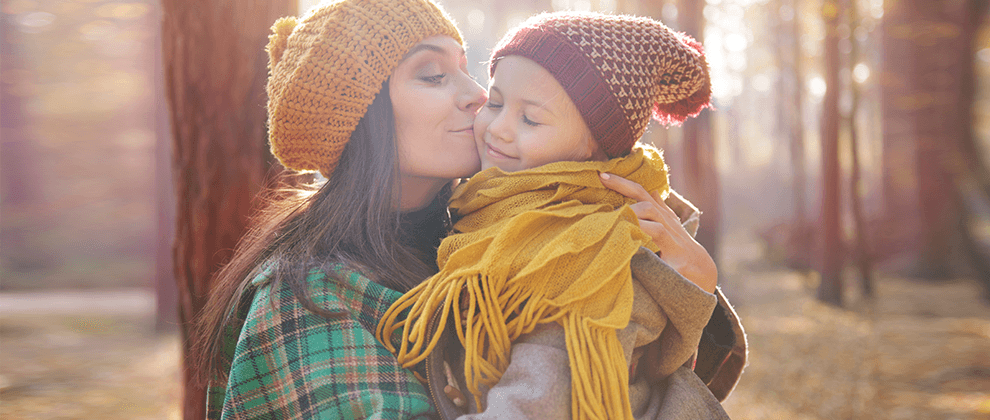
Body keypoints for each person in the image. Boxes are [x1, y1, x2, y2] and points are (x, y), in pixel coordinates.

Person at [195, 0, 744, 418]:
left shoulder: (491, 240)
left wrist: (685, 290)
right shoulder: (305, 298)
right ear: (361, 120)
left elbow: (621, 389)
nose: (476, 96)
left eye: (467, 70)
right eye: (433, 76)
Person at [377, 11, 742, 420]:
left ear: (594, 149)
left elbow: (543, 399)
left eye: (531, 118)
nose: (498, 129)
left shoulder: (578, 244)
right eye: (495, 102)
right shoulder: (496, 207)